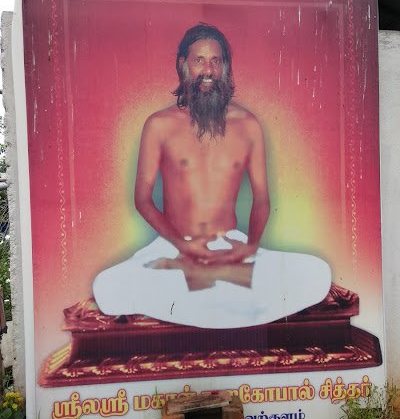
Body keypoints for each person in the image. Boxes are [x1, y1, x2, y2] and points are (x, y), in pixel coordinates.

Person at [93, 24, 331, 328]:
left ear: (225, 67)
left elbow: (261, 199)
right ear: (183, 65)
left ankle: (208, 295)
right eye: (199, 61)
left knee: (317, 273)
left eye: (216, 61)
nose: (208, 70)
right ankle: (224, 299)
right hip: (174, 246)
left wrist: (250, 247)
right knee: (107, 286)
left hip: (229, 246)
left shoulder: (248, 125)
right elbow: (142, 200)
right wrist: (183, 246)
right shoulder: (159, 125)